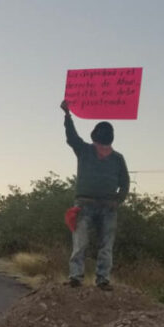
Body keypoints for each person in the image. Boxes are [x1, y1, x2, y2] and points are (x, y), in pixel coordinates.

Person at [60, 100, 130, 291]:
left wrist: (118, 200)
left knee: (106, 246)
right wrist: (67, 115)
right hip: (84, 204)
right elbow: (72, 137)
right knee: (80, 243)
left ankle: (103, 279)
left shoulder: (117, 158)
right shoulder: (85, 150)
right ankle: (75, 277)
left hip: (108, 207)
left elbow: (125, 182)